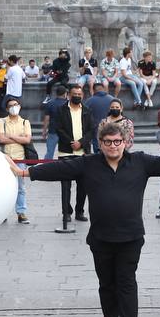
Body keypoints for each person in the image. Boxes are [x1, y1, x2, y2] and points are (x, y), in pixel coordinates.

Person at [10, 120, 160, 317]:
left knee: (126, 282)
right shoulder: (88, 164)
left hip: (131, 236)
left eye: (117, 142)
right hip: (101, 238)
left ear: (125, 142)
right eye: (108, 142)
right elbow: (59, 169)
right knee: (107, 285)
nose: (113, 146)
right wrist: (25, 172)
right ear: (100, 143)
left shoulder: (140, 162)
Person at [52, 85, 93, 224]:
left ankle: (79, 211)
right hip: (66, 152)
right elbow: (58, 129)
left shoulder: (87, 110)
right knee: (65, 186)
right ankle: (66, 212)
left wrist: (81, 143)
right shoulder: (61, 109)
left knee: (83, 185)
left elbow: (91, 130)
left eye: (79, 94)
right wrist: (71, 142)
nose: (77, 96)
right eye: (74, 94)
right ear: (68, 95)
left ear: (83, 96)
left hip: (83, 153)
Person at [0, 99, 35, 224]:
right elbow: (1, 139)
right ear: (7, 109)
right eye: (11, 106)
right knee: (3, 188)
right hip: (5, 158)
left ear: (19, 106)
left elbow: (27, 140)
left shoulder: (25, 122)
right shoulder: (1, 121)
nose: (14, 107)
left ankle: (21, 212)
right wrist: (19, 138)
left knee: (20, 188)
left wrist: (11, 136)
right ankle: (2, 213)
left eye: (16, 105)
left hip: (20, 158)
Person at [83, 83, 115, 152]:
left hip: (96, 129)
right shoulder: (112, 99)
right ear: (103, 89)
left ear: (94, 90)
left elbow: (84, 115)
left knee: (97, 149)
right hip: (111, 128)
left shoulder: (89, 101)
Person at [41, 84, 68, 159]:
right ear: (65, 94)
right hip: (66, 132)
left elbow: (46, 119)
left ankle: (47, 165)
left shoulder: (50, 103)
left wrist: (44, 130)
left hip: (53, 131)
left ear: (56, 93)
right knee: (65, 153)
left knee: (50, 152)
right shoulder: (68, 104)